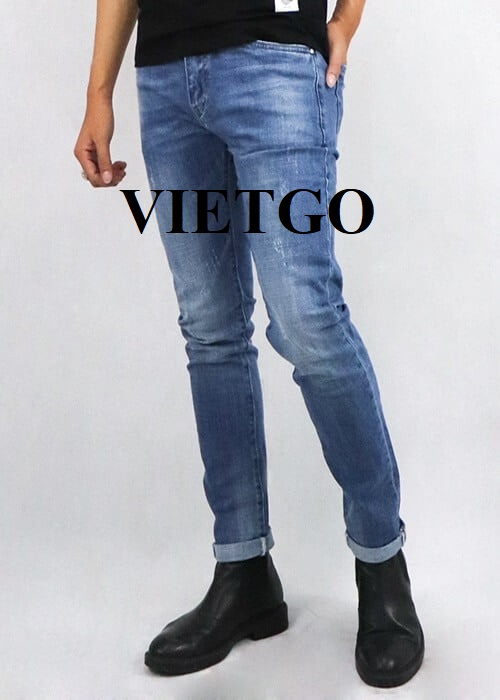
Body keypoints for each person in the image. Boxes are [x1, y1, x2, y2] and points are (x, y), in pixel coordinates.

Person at [74, 0, 425, 688]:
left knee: (307, 320)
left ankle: (382, 562)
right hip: (166, 76)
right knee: (210, 330)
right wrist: (98, 91)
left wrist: (346, 21)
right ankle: (244, 571)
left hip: (277, 63)